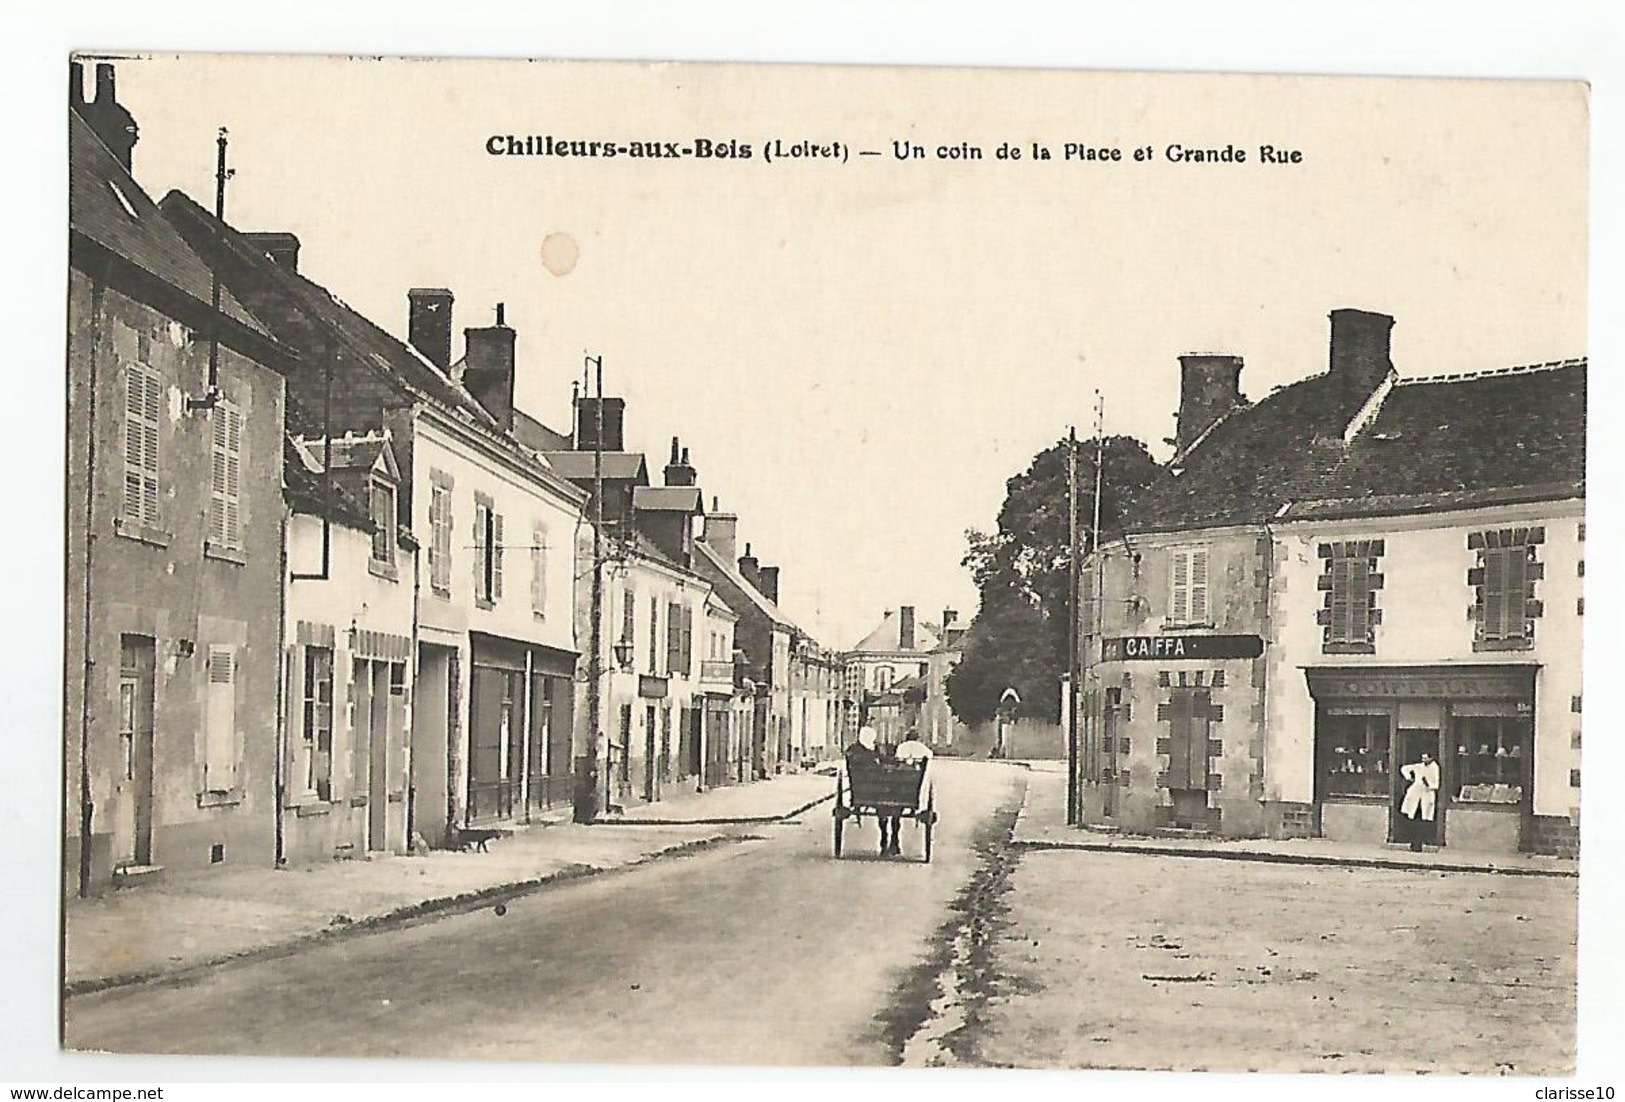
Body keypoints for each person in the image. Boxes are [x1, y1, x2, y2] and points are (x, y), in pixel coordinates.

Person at [1399, 751, 1439, 852]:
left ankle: (1420, 844)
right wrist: (1409, 778)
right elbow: (1404, 768)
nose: (1423, 760)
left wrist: (1428, 783)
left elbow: (1436, 785)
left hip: (1426, 796)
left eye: (1425, 758)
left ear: (1431, 758)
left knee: (1424, 820)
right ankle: (1413, 843)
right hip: (1415, 795)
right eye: (1422, 758)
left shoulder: (1435, 768)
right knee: (1412, 818)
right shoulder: (1419, 766)